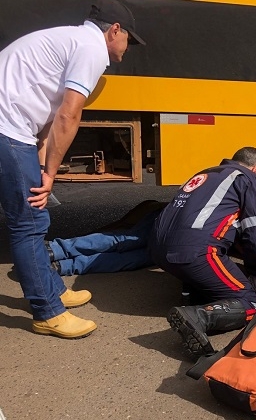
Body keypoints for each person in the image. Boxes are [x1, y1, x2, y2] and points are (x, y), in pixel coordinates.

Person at [0, 0, 145, 339]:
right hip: (7, 129)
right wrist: (50, 173)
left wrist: (39, 151)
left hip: (11, 127)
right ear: (114, 31)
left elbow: (40, 101)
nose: (127, 48)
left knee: (34, 220)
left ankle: (51, 289)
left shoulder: (71, 40)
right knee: (28, 222)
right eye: (129, 39)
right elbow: (69, 114)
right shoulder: (92, 49)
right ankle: (48, 312)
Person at [150, 147, 256, 359]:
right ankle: (197, 317)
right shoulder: (249, 178)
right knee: (249, 303)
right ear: (255, 169)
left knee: (211, 271)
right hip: (195, 252)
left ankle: (193, 293)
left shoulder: (205, 173)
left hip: (157, 249)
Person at [47, 201, 166, 276]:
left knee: (134, 259)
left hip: (173, 245)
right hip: (172, 219)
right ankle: (54, 250)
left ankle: (63, 266)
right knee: (127, 240)